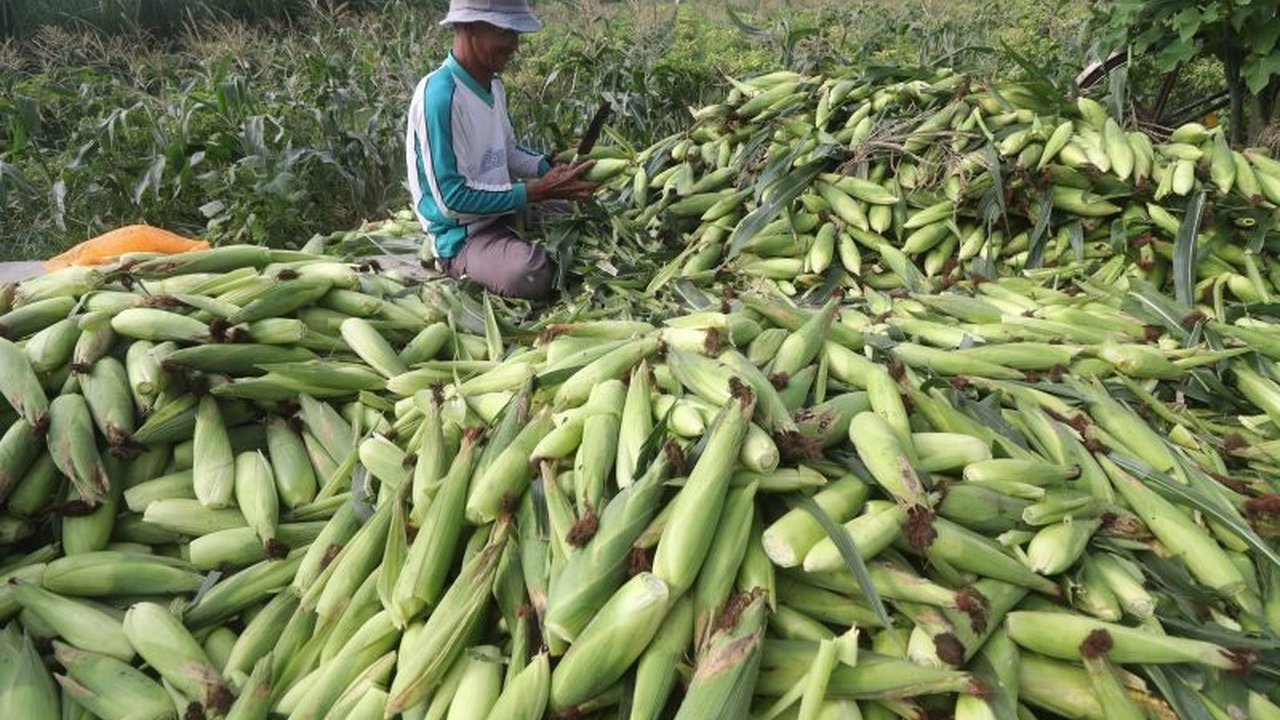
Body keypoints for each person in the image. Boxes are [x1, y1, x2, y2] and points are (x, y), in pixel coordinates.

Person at [405, 0, 598, 300]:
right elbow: (450, 199)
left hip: (504, 212)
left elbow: (506, 151)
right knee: (529, 273)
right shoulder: (440, 96)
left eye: (515, 33)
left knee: (584, 214)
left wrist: (550, 169)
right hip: (465, 235)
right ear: (468, 27)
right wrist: (535, 192)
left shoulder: (493, 86)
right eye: (505, 31)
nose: (514, 45)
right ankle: (459, 263)